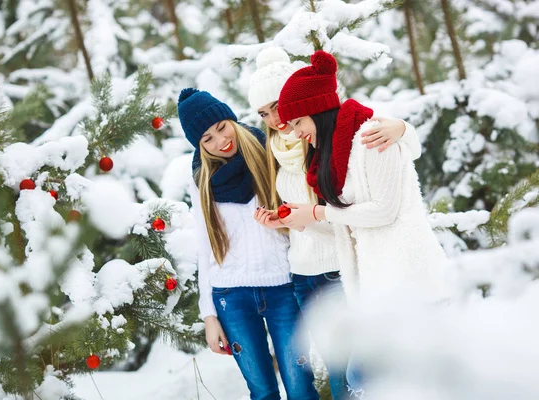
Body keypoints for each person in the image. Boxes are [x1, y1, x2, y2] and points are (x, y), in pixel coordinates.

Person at [248, 47, 423, 399]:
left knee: (362, 371)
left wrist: (404, 129)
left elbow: (382, 182)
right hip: (306, 271)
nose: (275, 120)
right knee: (343, 372)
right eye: (264, 113)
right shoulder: (277, 149)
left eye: (277, 108)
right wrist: (288, 221)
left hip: (344, 267)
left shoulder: (334, 139)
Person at [277, 49, 448, 308]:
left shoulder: (370, 138)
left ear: (319, 109)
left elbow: (383, 212)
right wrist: (302, 221)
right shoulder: (330, 158)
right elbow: (348, 232)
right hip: (376, 291)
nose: (296, 133)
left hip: (412, 283)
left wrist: (318, 212)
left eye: (298, 122)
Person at [177, 87, 319, 400]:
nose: (220, 141)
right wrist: (209, 316)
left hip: (283, 286)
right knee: (262, 392)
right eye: (207, 139)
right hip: (231, 295)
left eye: (221, 127)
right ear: (198, 145)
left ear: (231, 119)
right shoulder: (201, 179)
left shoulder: (269, 151)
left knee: (300, 389)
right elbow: (206, 246)